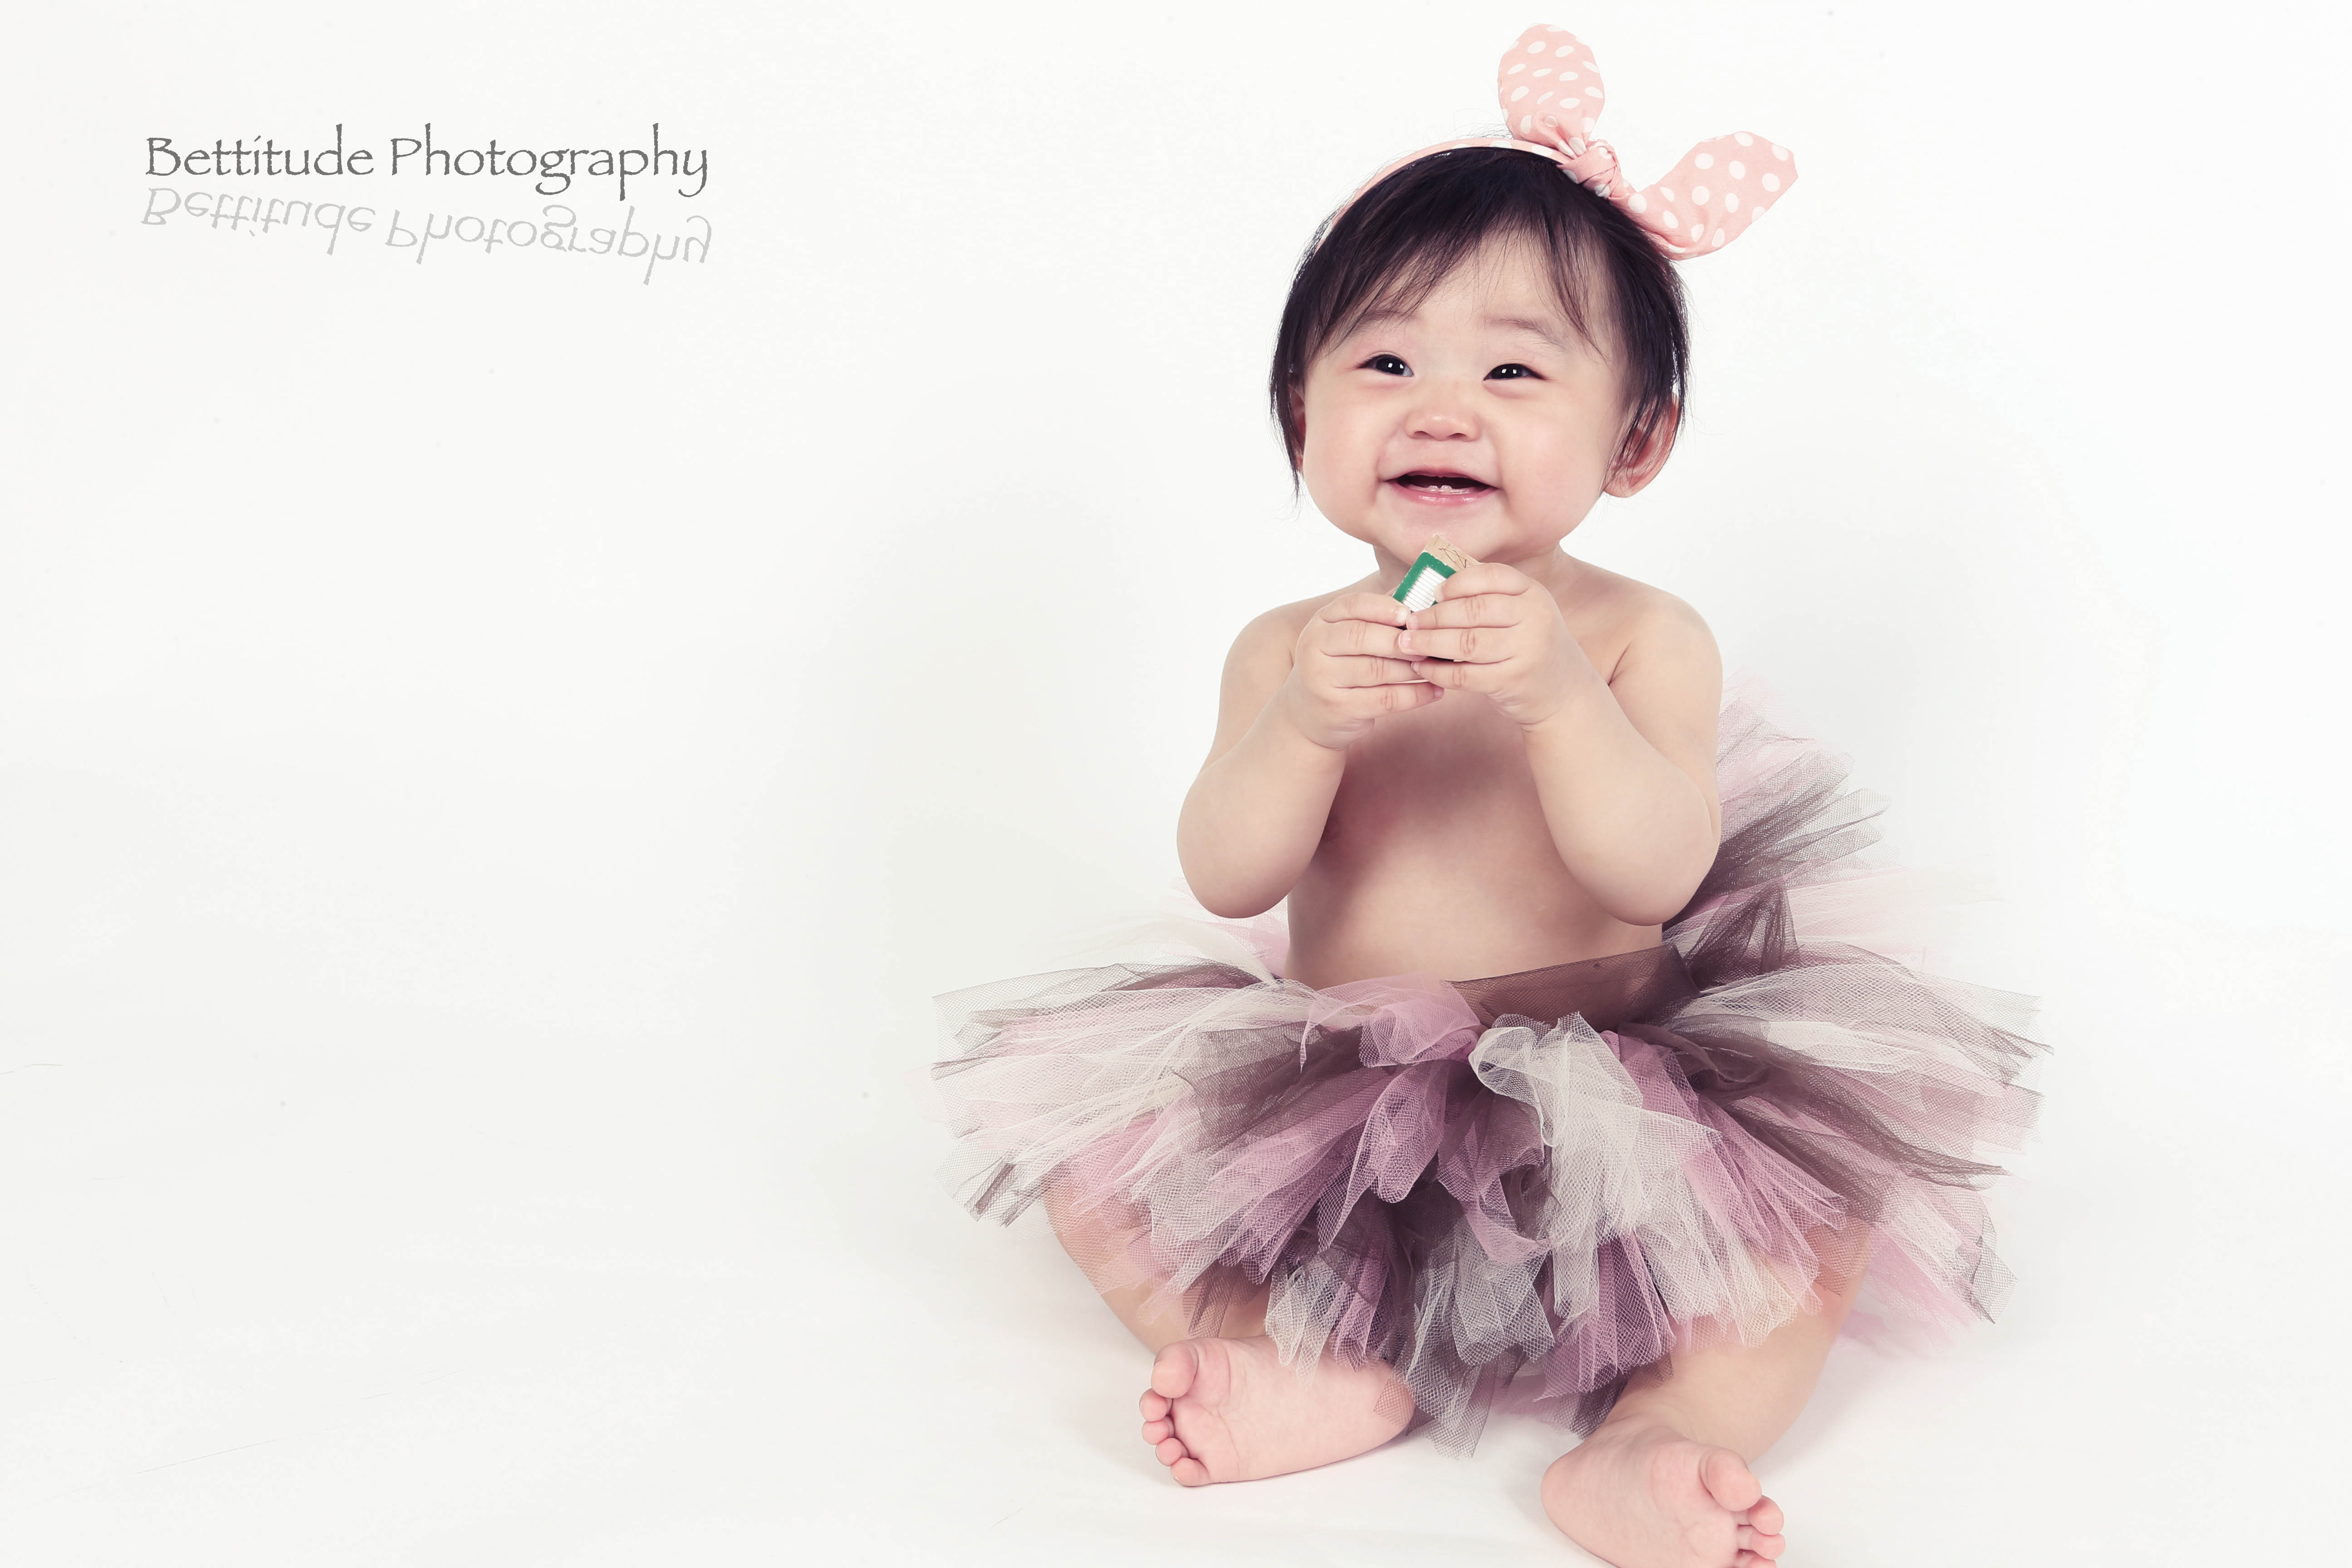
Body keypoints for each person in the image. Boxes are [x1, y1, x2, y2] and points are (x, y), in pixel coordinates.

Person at [921, 24, 2043, 1568]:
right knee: (1097, 1178)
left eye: (1514, 369)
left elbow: (1655, 873)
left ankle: (1660, 1434)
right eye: (1384, 363)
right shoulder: (1288, 648)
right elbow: (1229, 875)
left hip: (1620, 1084)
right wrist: (1303, 727)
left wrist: (1563, 702)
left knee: (1810, 1227)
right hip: (1339, 1094)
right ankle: (1295, 1365)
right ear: (1302, 415)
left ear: (1634, 439)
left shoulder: (1639, 637)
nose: (1441, 407)